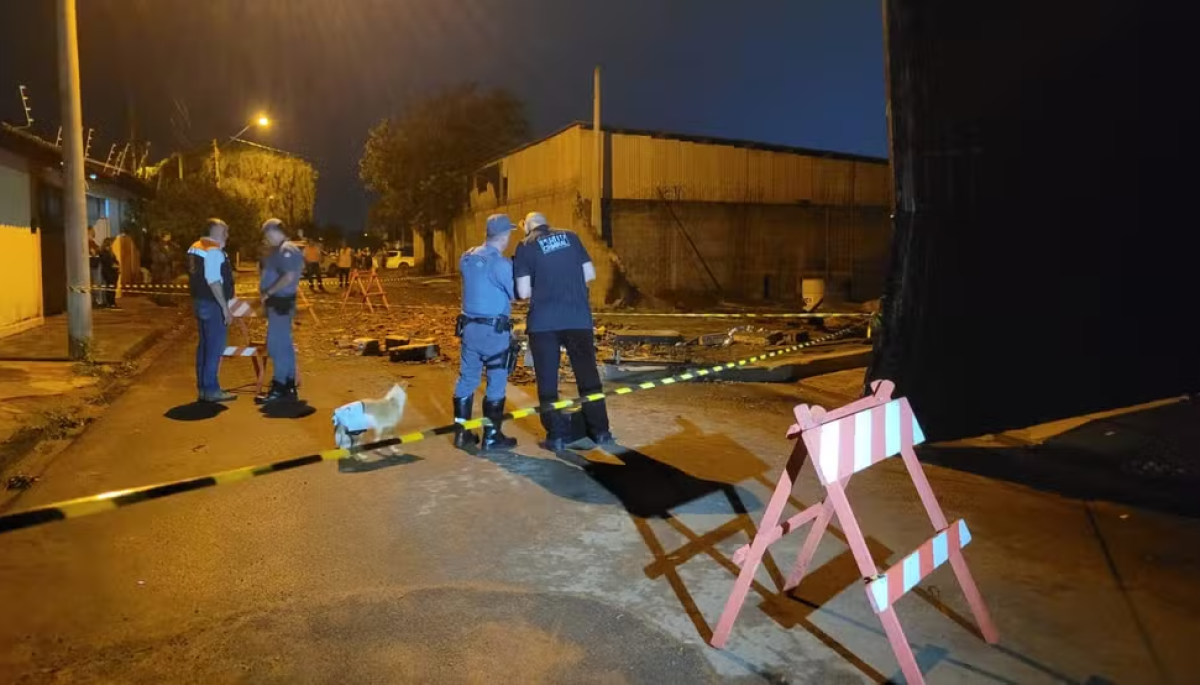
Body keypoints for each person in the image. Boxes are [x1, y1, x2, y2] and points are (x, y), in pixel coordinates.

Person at [514, 211, 614, 452]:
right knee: (588, 377)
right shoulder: (571, 236)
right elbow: (589, 274)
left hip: (544, 324)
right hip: (577, 319)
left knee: (547, 381)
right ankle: (601, 432)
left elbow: (524, 292)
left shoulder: (525, 245)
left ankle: (556, 436)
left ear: (527, 226)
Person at [452, 214, 520, 452]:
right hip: (494, 332)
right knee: (496, 380)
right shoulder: (501, 264)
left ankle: (461, 434)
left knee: (467, 379)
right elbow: (517, 295)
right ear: (505, 236)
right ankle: (491, 437)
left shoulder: (467, 257)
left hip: (469, 329)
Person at [257, 218, 305, 404]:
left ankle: (280, 386)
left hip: (280, 302)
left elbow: (289, 276)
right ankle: (287, 385)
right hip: (279, 303)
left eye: (267, 234)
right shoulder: (281, 250)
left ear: (274, 231)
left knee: (277, 345)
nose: (266, 238)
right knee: (283, 345)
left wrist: (268, 292)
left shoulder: (287, 249)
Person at [188, 219, 236, 403]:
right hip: (213, 303)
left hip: (200, 302)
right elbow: (214, 280)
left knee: (204, 347)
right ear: (214, 231)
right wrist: (225, 308)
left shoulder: (196, 247)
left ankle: (203, 388)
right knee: (214, 348)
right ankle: (211, 390)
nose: (227, 235)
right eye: (224, 231)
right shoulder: (214, 251)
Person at [97, 238, 121, 309]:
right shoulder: (103, 253)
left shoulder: (111, 252)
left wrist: (117, 265)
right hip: (108, 273)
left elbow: (115, 260)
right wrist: (113, 265)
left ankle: (112, 302)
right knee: (110, 288)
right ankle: (110, 303)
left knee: (113, 288)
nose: (111, 246)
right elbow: (107, 262)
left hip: (114, 272)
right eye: (110, 244)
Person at [87, 226, 103, 306]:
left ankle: (97, 301)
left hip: (95, 266)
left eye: (91, 233)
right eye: (89, 233)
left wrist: (97, 250)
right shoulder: (87, 244)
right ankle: (95, 301)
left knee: (97, 284)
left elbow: (98, 250)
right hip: (91, 266)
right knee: (94, 284)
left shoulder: (93, 243)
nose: (91, 235)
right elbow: (93, 253)